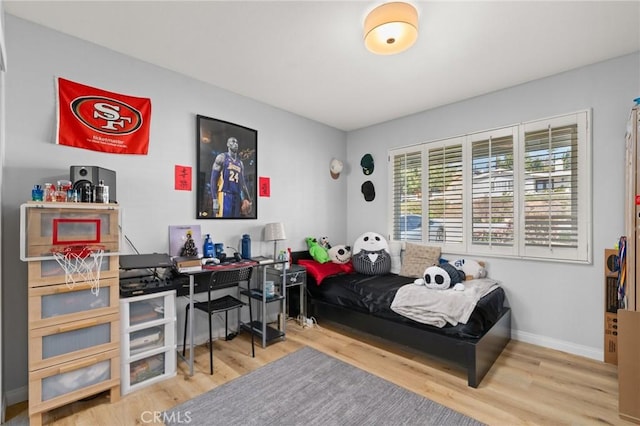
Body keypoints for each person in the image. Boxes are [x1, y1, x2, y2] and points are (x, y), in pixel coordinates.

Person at [210, 136, 252, 217]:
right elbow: (213, 180)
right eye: (233, 142)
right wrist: (215, 199)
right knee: (222, 221)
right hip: (224, 194)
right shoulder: (222, 157)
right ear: (228, 144)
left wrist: (248, 199)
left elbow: (242, 184)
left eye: (236, 142)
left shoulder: (240, 163)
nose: (235, 144)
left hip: (236, 196)